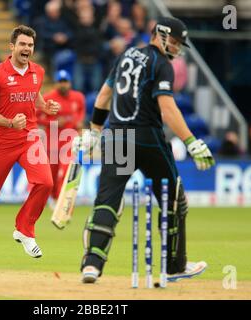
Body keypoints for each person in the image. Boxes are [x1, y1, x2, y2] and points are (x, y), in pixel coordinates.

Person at [72, 17, 215, 283]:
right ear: (159, 34)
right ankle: (175, 266)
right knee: (174, 200)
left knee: (107, 200)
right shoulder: (161, 64)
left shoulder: (126, 55)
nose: (176, 47)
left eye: (179, 44)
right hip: (147, 137)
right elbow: (167, 108)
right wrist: (191, 141)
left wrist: (94, 131)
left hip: (115, 136)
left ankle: (92, 265)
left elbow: (104, 96)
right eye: (173, 41)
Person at [0, 25, 60, 264]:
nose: (27, 49)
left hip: (29, 137)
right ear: (12, 47)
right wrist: (9, 123)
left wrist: (45, 106)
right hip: (3, 141)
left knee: (45, 182)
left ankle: (24, 229)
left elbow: (33, 94)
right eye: (23, 44)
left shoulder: (37, 71)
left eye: (30, 45)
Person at [37, 69, 85, 207]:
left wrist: (79, 122)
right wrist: (53, 123)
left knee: (66, 171)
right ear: (55, 84)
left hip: (70, 141)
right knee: (51, 173)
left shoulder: (78, 97)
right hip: (52, 142)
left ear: (70, 83)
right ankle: (52, 198)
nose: (63, 85)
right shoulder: (47, 98)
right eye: (60, 82)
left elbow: (81, 111)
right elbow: (34, 116)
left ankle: (61, 200)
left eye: (66, 82)